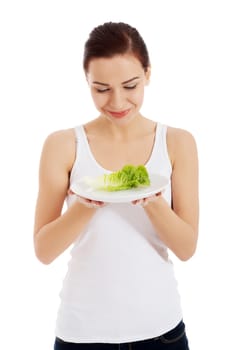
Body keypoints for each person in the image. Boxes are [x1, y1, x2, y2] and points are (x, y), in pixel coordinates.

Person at [33, 22, 199, 350]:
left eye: (130, 85)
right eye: (101, 89)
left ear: (147, 74)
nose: (117, 101)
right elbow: (43, 250)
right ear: (87, 83)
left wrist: (151, 201)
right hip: (82, 334)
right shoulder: (63, 144)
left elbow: (186, 247)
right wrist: (84, 206)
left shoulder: (177, 142)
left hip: (161, 331)